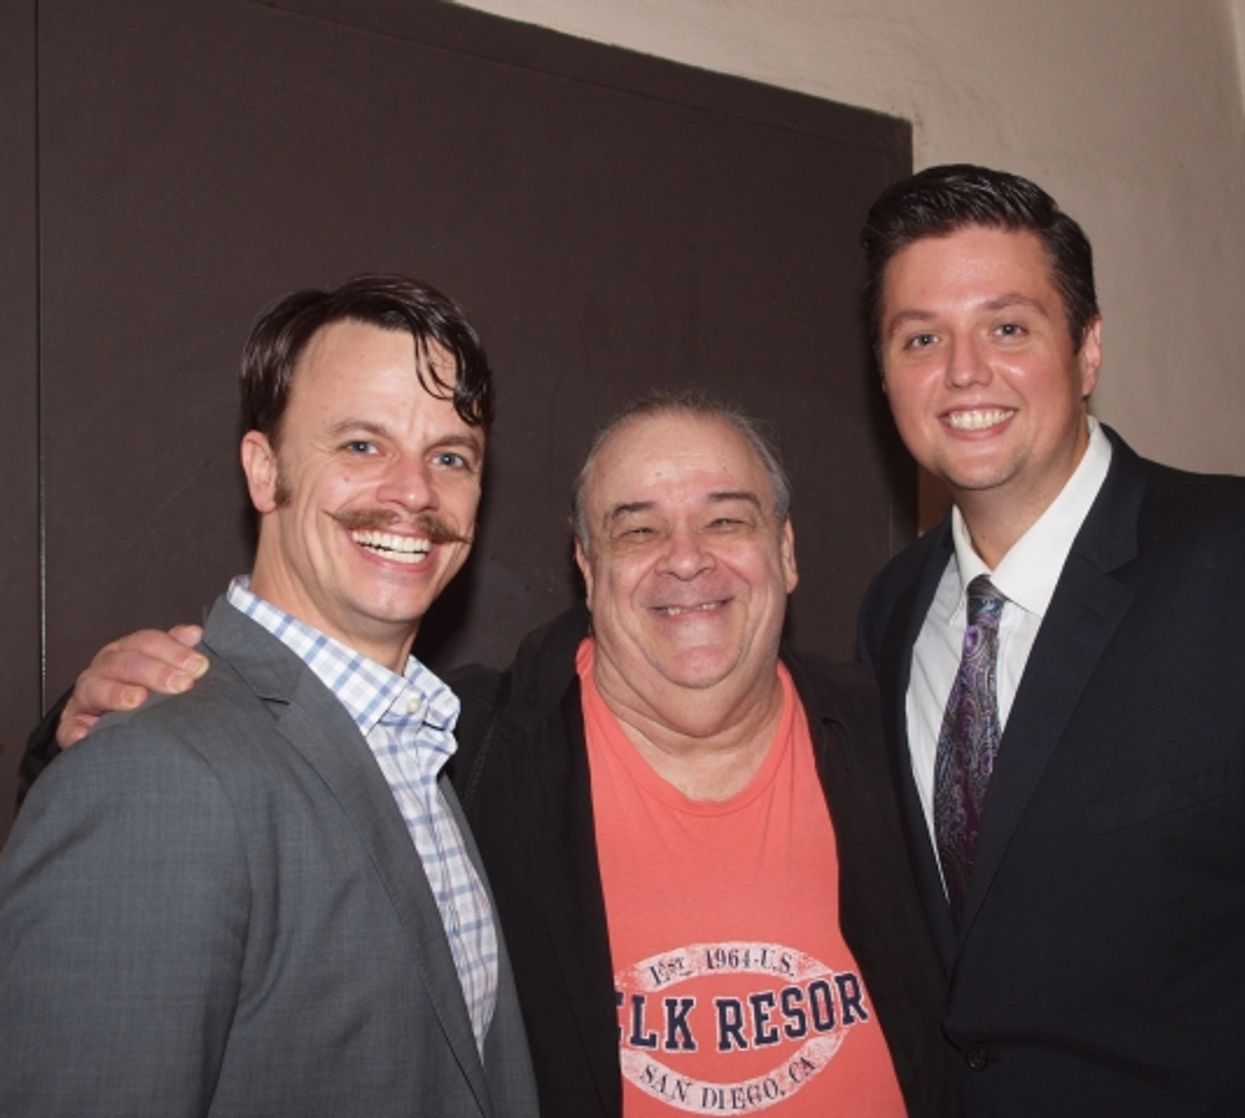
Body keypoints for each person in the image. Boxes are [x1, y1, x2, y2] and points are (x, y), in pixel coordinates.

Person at [22, 393, 956, 1116]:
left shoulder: (896, 731)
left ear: (786, 552)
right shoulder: (456, 751)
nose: (684, 558)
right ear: (586, 572)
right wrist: (84, 715)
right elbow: (222, 775)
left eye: (727, 519)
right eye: (636, 528)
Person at [856, 163, 1245, 1115]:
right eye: (921, 338)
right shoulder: (889, 612)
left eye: (1008, 327)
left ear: (1089, 350)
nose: (964, 372)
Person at [1, 275, 538, 1116]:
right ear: (265, 469)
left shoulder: (423, 742)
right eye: (362, 445)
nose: (414, 493)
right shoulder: (154, 777)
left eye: (450, 456)